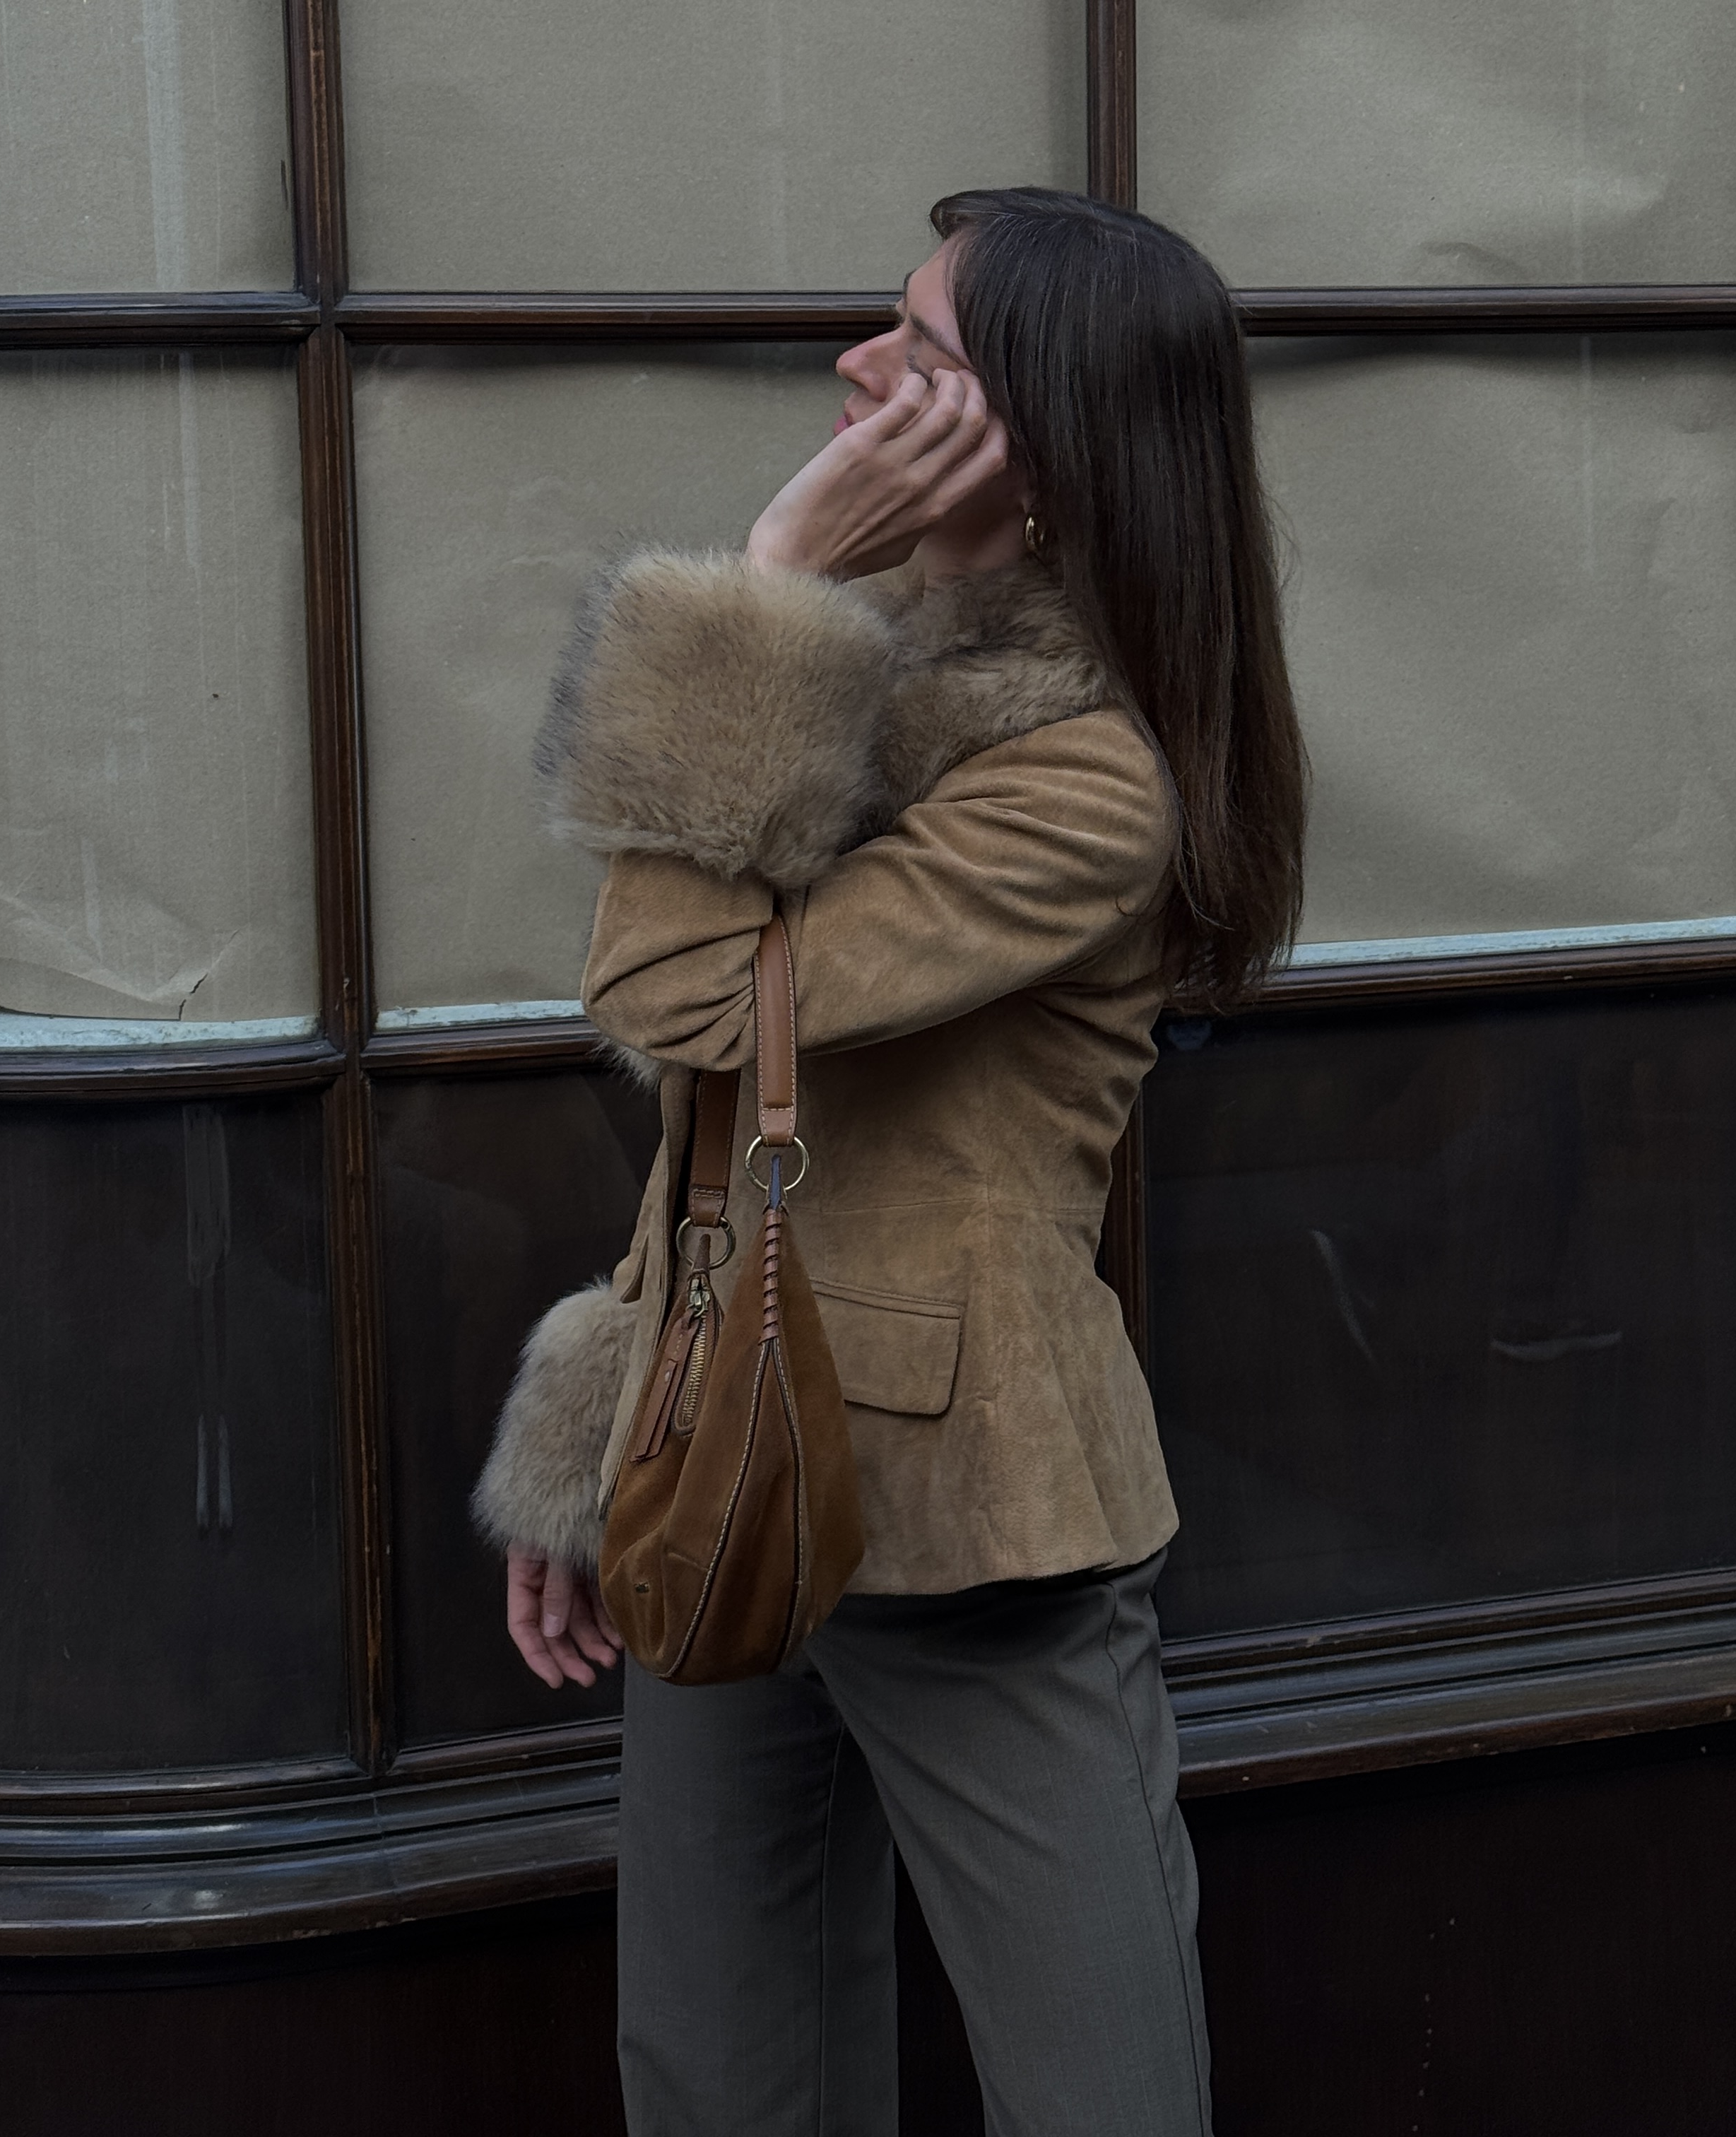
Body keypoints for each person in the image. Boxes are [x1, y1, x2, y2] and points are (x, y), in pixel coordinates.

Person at [473, 186, 1307, 2137]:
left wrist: (768, 582)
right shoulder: (875, 691)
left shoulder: (1087, 777)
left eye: (920, 354)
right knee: (715, 2064)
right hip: (716, 1446)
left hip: (969, 1505)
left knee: (1094, 2088)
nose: (860, 372)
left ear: (1050, 432)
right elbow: (733, 1126)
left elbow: (683, 993)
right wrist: (600, 1409)